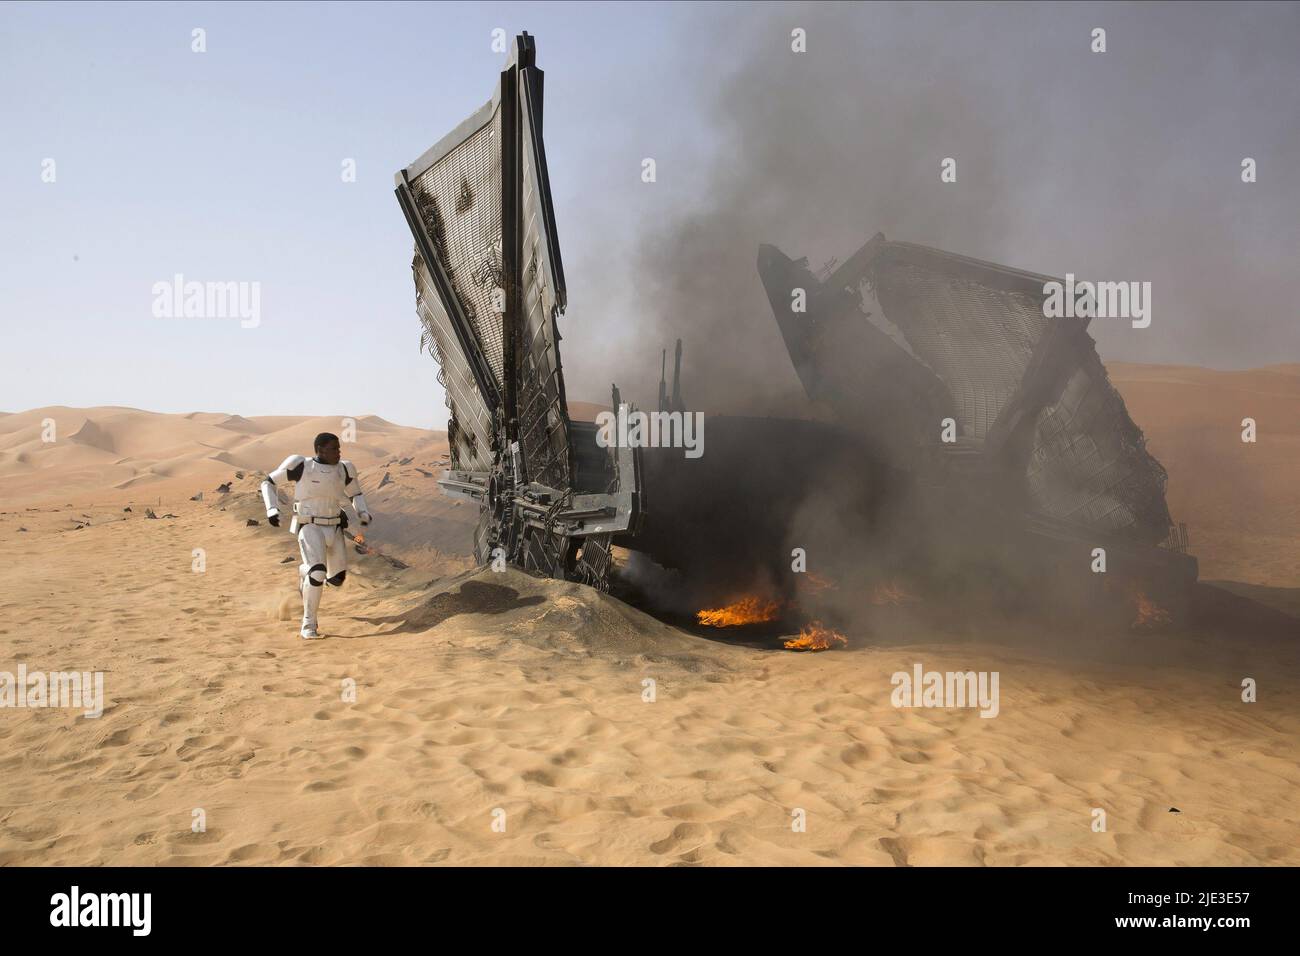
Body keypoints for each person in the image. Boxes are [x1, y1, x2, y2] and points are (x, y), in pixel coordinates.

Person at [260, 432, 372, 639]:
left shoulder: (345, 469)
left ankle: (304, 572)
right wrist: (271, 509)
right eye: (333, 449)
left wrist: (362, 512)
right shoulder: (301, 465)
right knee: (318, 573)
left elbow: (355, 493)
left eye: (339, 448)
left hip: (335, 527)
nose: (338, 452)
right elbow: (268, 482)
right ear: (320, 450)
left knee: (336, 579)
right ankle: (309, 624)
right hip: (309, 525)